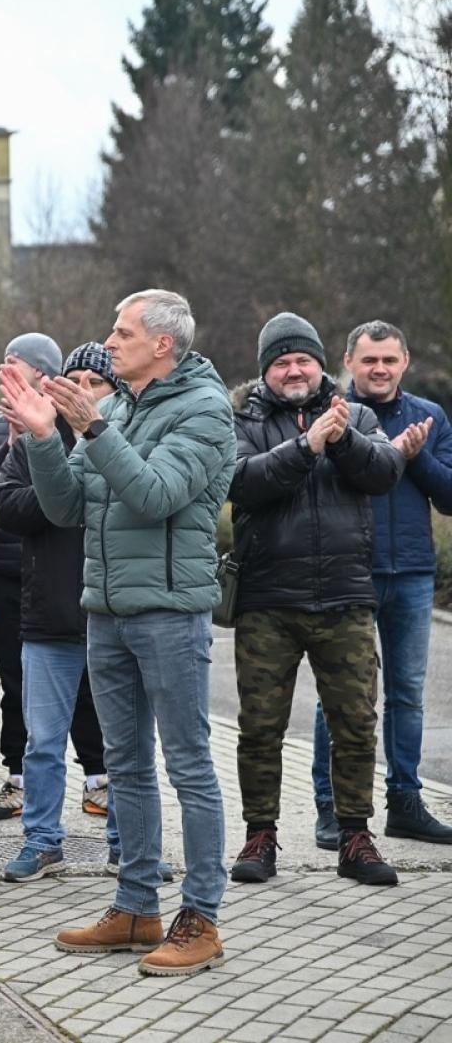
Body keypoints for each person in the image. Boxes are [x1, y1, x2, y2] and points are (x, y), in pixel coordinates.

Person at [2, 288, 233, 978]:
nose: (110, 340)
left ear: (163, 343)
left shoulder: (204, 410)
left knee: (188, 763)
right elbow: (68, 503)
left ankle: (201, 916)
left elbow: (157, 494)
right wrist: (47, 436)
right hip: (105, 609)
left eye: (122, 331)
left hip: (169, 610)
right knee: (125, 765)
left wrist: (94, 427)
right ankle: (136, 906)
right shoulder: (124, 405)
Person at [227, 313, 403, 887]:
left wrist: (342, 435)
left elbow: (381, 473)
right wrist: (307, 446)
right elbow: (242, 482)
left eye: (303, 359)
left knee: (356, 722)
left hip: (346, 598)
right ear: (266, 371)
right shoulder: (243, 418)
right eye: (282, 362)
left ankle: (355, 836)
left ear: (320, 364)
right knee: (260, 727)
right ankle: (261, 835)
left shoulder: (358, 414)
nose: (294, 370)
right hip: (267, 600)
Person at [311, 321, 452, 846]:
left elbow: (449, 495)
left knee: (408, 695)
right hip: (350, 571)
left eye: (389, 360)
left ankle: (405, 801)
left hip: (413, 573)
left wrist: (416, 459)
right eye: (369, 360)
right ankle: (330, 806)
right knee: (340, 694)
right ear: (348, 361)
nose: (379, 369)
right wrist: (383, 452)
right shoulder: (335, 415)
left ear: (405, 361)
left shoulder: (430, 416)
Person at [0, 343, 123, 881]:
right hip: (50, 615)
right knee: (41, 742)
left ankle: (126, 845)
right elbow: (4, 507)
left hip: (114, 613)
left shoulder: (124, 437)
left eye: (97, 380)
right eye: (74, 378)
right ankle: (42, 840)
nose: (83, 389)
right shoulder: (34, 440)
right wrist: (58, 490)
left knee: (123, 745)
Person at [0, 332, 109, 822]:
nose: (82, 389)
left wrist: (58, 493)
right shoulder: (11, 430)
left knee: (94, 690)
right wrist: (15, 445)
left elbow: (109, 500)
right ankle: (25, 796)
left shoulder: (99, 432)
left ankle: (102, 783)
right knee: (22, 692)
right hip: (22, 579)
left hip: (90, 585)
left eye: (18, 362)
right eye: (75, 380)